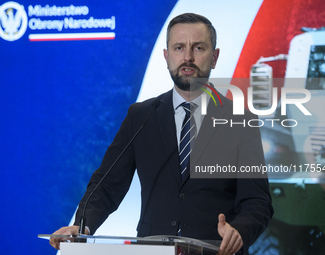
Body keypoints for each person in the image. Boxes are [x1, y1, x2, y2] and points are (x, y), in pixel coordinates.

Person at [50, 13, 273, 255]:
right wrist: (81, 225)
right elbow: (106, 186)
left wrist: (239, 231)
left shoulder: (240, 119)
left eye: (198, 47)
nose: (187, 57)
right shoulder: (141, 116)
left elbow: (258, 201)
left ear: (215, 57)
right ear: (167, 57)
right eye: (179, 48)